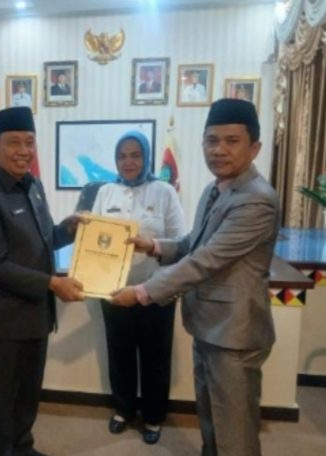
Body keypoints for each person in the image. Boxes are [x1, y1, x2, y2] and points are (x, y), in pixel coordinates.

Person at [111, 98, 279, 456]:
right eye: (211, 140)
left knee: (235, 433)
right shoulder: (215, 189)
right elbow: (192, 243)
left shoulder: (256, 199)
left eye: (232, 141)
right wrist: (153, 245)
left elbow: (204, 260)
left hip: (234, 334)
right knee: (212, 422)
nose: (219, 150)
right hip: (209, 326)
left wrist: (141, 292)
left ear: (255, 147)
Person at [0, 106, 85, 456]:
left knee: (28, 393)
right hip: (1, 320)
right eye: (14, 142)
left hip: (35, 315)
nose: (23, 151)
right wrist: (53, 284)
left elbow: (43, 240)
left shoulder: (33, 185)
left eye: (29, 142)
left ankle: (22, 447)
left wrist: (68, 229)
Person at [91, 131, 185, 444]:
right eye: (122, 156)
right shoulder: (105, 192)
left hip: (156, 290)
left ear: (146, 157)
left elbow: (181, 243)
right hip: (114, 290)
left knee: (155, 356)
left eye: (135, 155)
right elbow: (95, 240)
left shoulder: (164, 192)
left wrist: (152, 244)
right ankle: (124, 410)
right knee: (119, 352)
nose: (128, 162)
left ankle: (154, 416)